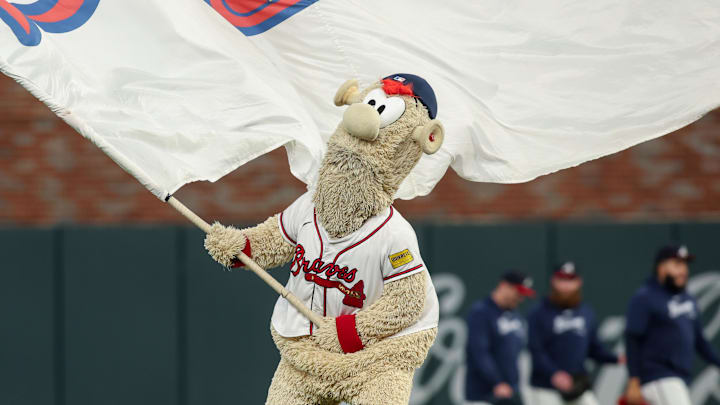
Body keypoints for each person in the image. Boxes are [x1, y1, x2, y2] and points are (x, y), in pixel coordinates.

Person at [623, 245, 720, 405]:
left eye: (685, 264)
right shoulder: (645, 297)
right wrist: (633, 380)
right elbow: (632, 339)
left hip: (679, 377)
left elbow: (700, 342)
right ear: (661, 267)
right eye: (677, 264)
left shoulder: (688, 299)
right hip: (658, 376)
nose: (683, 270)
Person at [528, 261, 623, 405]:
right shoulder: (539, 312)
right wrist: (554, 373)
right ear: (553, 281)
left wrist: (616, 359)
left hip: (578, 386)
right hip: (546, 388)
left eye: (570, 280)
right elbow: (536, 350)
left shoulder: (586, 312)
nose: (566, 285)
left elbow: (594, 348)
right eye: (561, 280)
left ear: (579, 282)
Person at [465, 271, 536, 405]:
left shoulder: (515, 315)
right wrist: (497, 381)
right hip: (483, 394)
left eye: (523, 295)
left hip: (510, 392)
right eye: (518, 293)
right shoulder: (481, 312)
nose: (520, 298)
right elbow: (479, 352)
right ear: (504, 286)